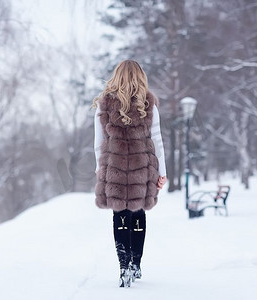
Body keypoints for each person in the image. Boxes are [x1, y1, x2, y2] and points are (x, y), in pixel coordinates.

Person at [92, 60, 167, 288]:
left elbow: (98, 142)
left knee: (120, 217)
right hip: (141, 168)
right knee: (138, 215)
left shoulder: (104, 103)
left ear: (116, 75)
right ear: (140, 76)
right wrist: (161, 172)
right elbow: (157, 141)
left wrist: (100, 170)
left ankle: (123, 267)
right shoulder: (148, 103)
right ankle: (136, 264)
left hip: (113, 167)